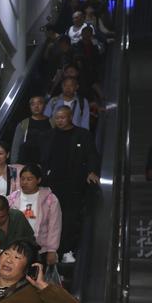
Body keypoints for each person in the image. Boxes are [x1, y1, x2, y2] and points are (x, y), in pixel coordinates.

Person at [39, 106, 100, 263]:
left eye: (62, 117)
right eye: (57, 118)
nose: (59, 121)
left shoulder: (82, 135)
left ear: (70, 117)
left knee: (70, 218)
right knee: (49, 217)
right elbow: (41, 157)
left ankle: (67, 250)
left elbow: (92, 154)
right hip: (51, 184)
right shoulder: (48, 136)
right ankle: (49, 250)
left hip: (74, 184)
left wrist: (92, 171)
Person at [8, 164, 63, 266]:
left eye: (29, 179)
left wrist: (52, 250)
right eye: (22, 179)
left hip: (40, 249)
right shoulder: (12, 198)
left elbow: (54, 226)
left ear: (38, 180)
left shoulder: (50, 199)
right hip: (16, 247)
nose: (25, 182)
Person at [11, 96, 52, 166]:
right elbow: (15, 147)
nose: (36, 106)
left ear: (45, 105)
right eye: (33, 104)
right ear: (30, 107)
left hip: (47, 164)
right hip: (26, 165)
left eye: (39, 103)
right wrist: (14, 164)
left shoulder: (52, 123)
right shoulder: (23, 124)